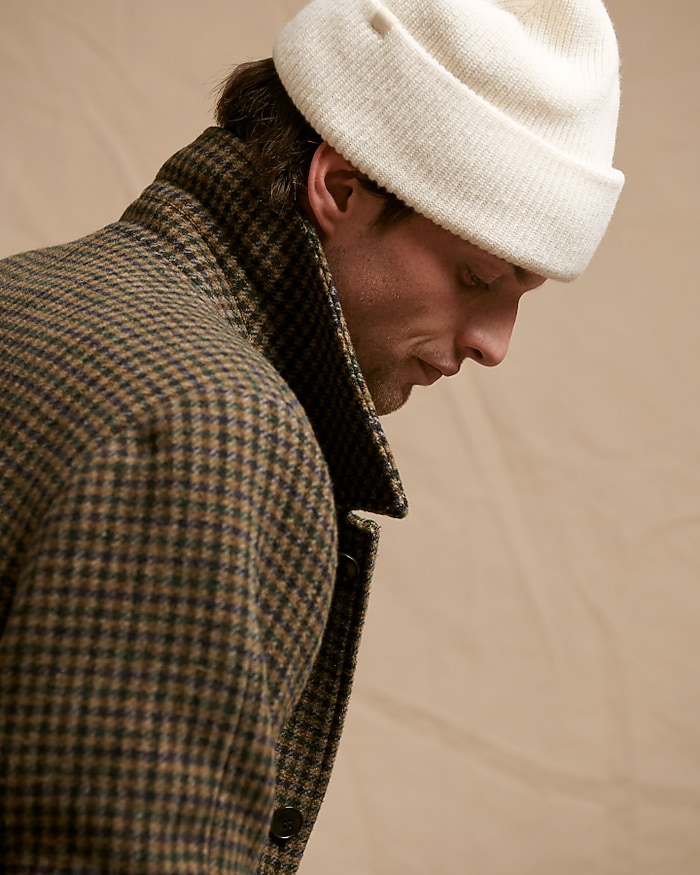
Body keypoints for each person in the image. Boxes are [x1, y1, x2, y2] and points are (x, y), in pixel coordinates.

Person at [0, 0, 624, 871]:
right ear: (337, 187)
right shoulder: (217, 424)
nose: (495, 344)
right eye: (480, 276)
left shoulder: (23, 297)